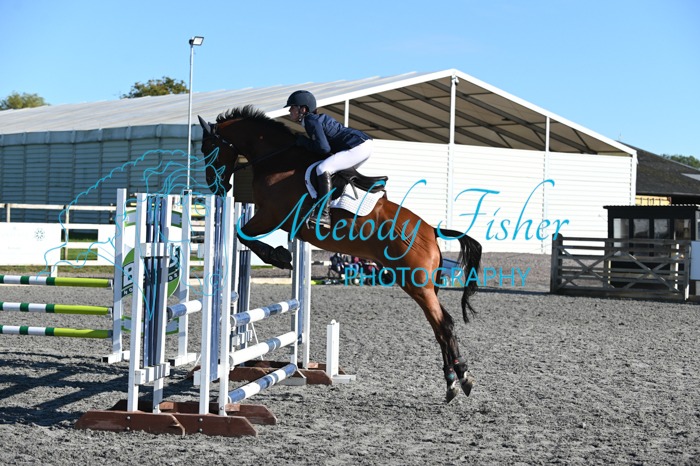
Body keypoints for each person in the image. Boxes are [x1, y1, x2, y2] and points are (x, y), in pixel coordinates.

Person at [285, 90, 373, 229]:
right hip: (363, 144)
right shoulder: (313, 120)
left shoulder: (310, 120)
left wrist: (303, 142)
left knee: (323, 168)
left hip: (357, 146)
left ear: (303, 109)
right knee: (334, 172)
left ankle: (324, 214)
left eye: (292, 107)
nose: (289, 110)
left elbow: (323, 149)